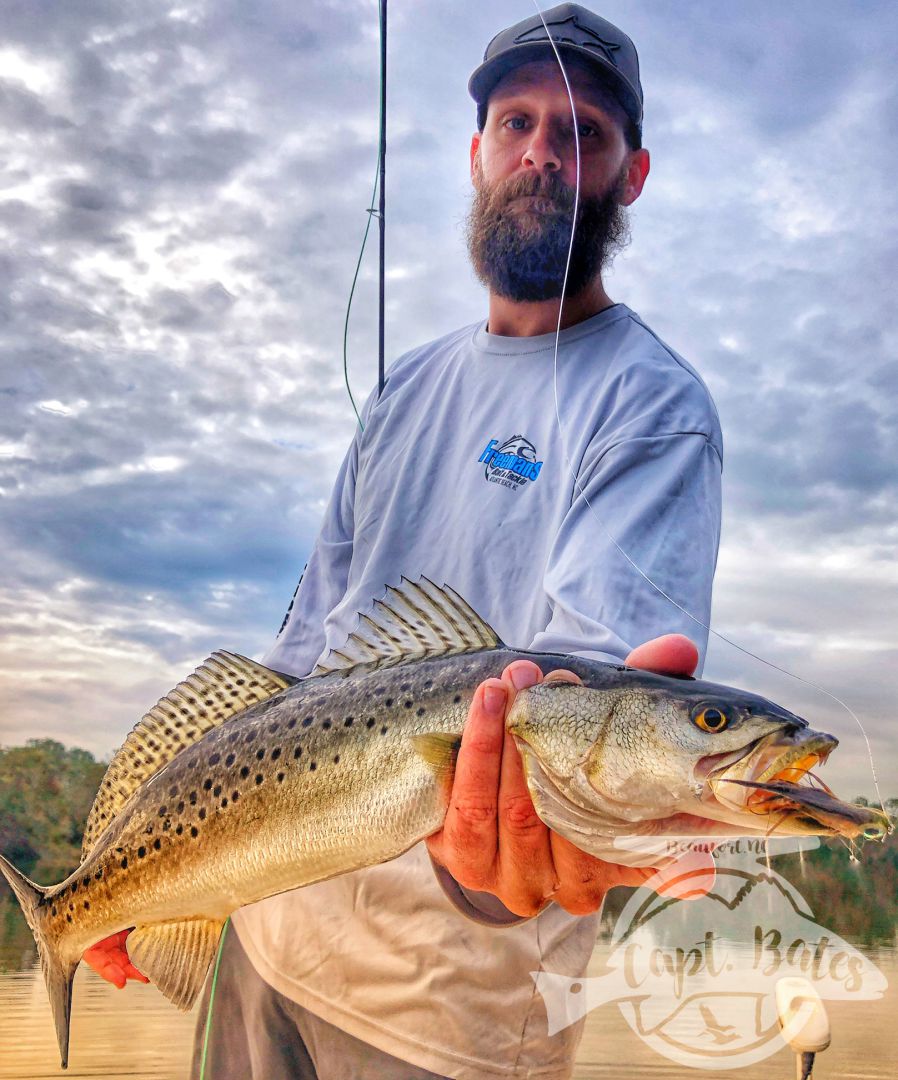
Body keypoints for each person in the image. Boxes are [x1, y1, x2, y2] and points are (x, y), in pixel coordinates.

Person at [85, 5, 723, 1077]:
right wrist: (138, 869)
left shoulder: (652, 408)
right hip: (264, 944)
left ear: (632, 175)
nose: (541, 154)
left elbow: (579, 744)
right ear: (476, 153)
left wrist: (561, 835)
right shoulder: (405, 387)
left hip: (443, 1018)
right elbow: (292, 661)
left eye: (582, 134)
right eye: (517, 122)